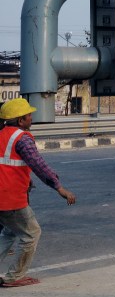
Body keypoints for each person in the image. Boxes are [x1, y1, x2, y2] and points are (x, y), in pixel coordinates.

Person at [0, 98, 76, 287]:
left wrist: (26, 180)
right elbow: (38, 165)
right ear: (20, 120)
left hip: (3, 195)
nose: (31, 119)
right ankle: (14, 277)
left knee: (9, 233)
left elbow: (10, 164)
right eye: (29, 115)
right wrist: (59, 187)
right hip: (11, 198)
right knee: (31, 233)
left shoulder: (2, 134)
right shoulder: (22, 138)